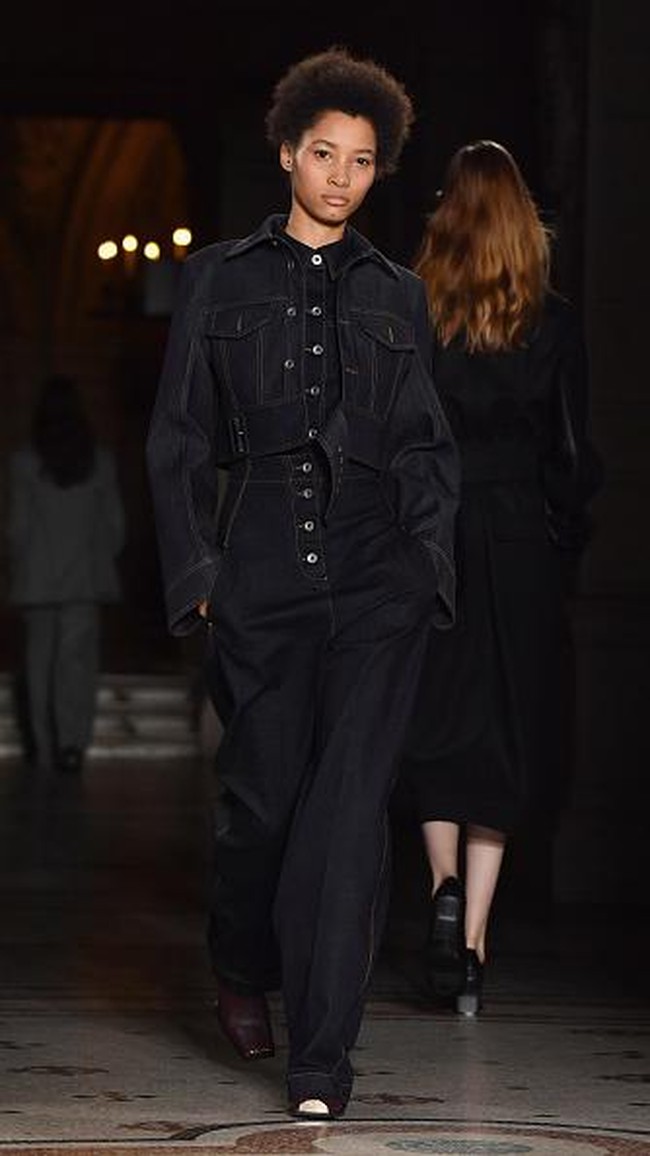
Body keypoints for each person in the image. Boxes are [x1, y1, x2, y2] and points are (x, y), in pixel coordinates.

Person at [146, 46, 460, 1120]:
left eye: (361, 160)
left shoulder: (396, 296)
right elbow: (179, 435)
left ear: (377, 174)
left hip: (378, 578)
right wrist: (197, 574)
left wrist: (427, 567)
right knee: (262, 807)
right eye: (322, 152)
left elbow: (426, 446)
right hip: (263, 569)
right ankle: (239, 960)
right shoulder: (219, 278)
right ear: (286, 152)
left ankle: (320, 1063)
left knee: (344, 814)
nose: (339, 175)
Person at [399, 140, 603, 1016]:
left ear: (447, 211)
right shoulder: (550, 322)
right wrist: (566, 536)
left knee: (433, 720)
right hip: (517, 538)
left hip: (435, 534)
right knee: (509, 733)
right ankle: (474, 935)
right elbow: (570, 457)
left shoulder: (415, 311)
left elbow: (394, 435)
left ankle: (442, 889)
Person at [7, 374, 126, 775]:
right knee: (76, 665)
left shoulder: (25, 462)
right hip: (85, 579)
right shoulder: (100, 462)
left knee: (40, 665)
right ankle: (72, 744)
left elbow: (18, 528)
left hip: (38, 579)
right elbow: (115, 527)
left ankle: (43, 746)